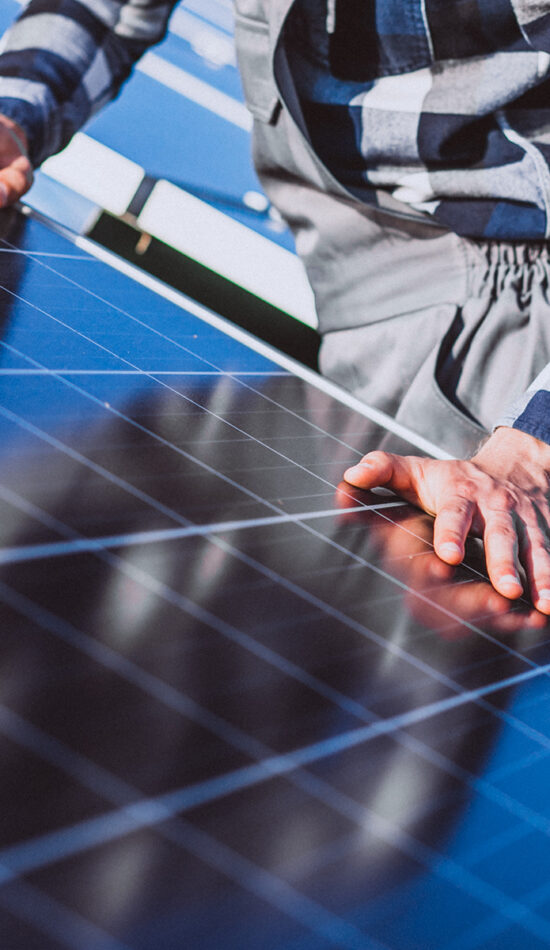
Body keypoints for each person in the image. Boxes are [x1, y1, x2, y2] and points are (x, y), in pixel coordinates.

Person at [0, 0, 549, 612]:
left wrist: (534, 445)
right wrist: (14, 114)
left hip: (519, 317)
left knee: (452, 593)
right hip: (361, 299)